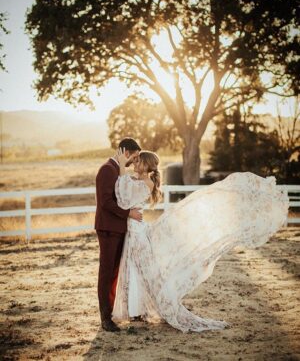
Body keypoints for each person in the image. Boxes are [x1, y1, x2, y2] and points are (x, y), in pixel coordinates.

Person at [112, 149, 289, 333]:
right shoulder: (138, 180)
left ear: (146, 165)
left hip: (138, 233)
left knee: (146, 273)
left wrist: (121, 167)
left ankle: (152, 308)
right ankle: (136, 309)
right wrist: (125, 169)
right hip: (135, 230)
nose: (135, 163)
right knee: (136, 271)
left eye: (138, 161)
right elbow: (125, 190)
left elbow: (123, 200)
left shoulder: (146, 183)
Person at [95, 137, 142, 332]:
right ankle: (105, 318)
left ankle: (112, 312)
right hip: (108, 229)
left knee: (115, 272)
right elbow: (105, 202)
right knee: (106, 272)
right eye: (134, 157)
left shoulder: (118, 170)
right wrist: (128, 213)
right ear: (125, 152)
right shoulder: (107, 169)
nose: (134, 161)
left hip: (118, 228)